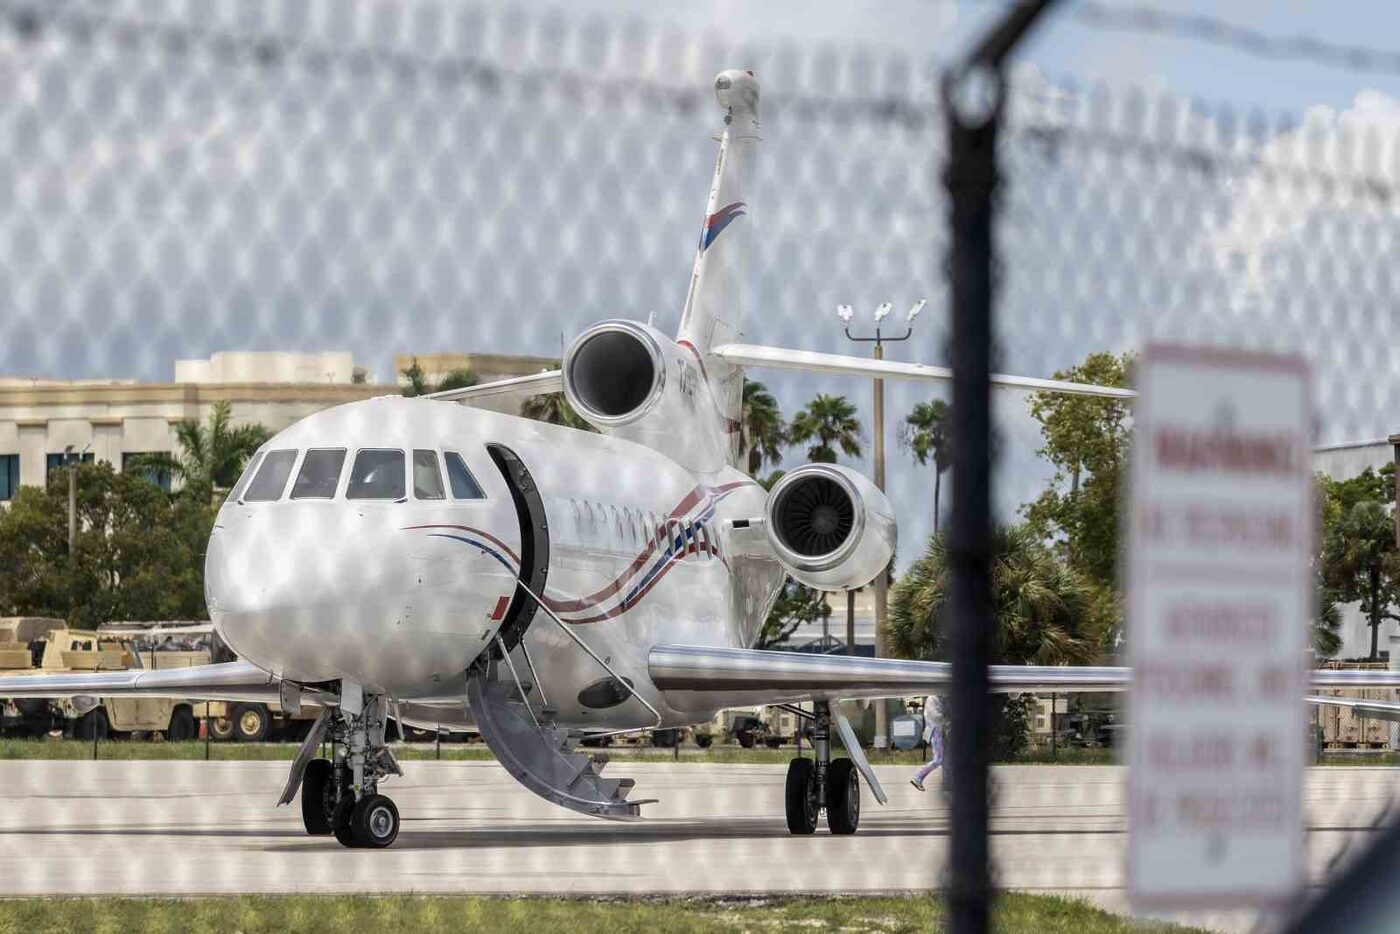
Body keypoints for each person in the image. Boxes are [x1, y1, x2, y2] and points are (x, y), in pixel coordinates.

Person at [910, 695, 944, 792]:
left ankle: (918, 778)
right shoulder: (933, 699)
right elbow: (936, 716)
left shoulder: (936, 698)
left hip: (936, 730)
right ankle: (918, 778)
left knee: (942, 758)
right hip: (936, 730)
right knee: (938, 759)